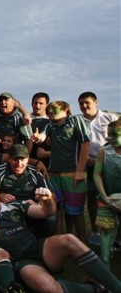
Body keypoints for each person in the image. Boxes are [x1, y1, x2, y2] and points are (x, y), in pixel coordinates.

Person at [0, 183, 121, 293]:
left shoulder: (15, 206)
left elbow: (48, 212)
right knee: (48, 287)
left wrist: (47, 199)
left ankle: (116, 287)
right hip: (21, 261)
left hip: (38, 248)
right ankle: (95, 288)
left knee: (69, 239)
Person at [32, 101, 90, 241]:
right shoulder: (50, 125)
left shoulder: (75, 121)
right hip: (54, 173)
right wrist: (38, 138)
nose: (50, 112)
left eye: (54, 109)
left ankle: (82, 243)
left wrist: (80, 171)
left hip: (73, 173)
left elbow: (85, 145)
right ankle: (60, 240)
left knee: (75, 211)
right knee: (58, 209)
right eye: (49, 110)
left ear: (65, 109)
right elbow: (43, 137)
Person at [78, 91, 119, 246]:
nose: (84, 106)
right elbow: (78, 143)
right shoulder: (78, 121)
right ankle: (96, 233)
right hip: (88, 164)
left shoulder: (110, 118)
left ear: (96, 102)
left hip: (110, 164)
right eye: (81, 103)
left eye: (87, 102)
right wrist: (86, 158)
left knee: (114, 197)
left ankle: (116, 235)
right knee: (93, 198)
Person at [0, 144, 56, 238]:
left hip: (31, 208)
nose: (19, 163)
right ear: (9, 159)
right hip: (8, 209)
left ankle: (41, 241)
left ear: (28, 159)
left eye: (22, 159)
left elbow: (52, 196)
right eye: (15, 159)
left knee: (51, 219)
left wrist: (38, 204)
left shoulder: (36, 172)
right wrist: (1, 196)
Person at [93, 119, 121, 268]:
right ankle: (105, 260)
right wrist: (104, 196)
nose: (109, 138)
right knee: (106, 230)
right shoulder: (104, 151)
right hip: (107, 198)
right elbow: (97, 175)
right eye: (108, 134)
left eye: (114, 134)